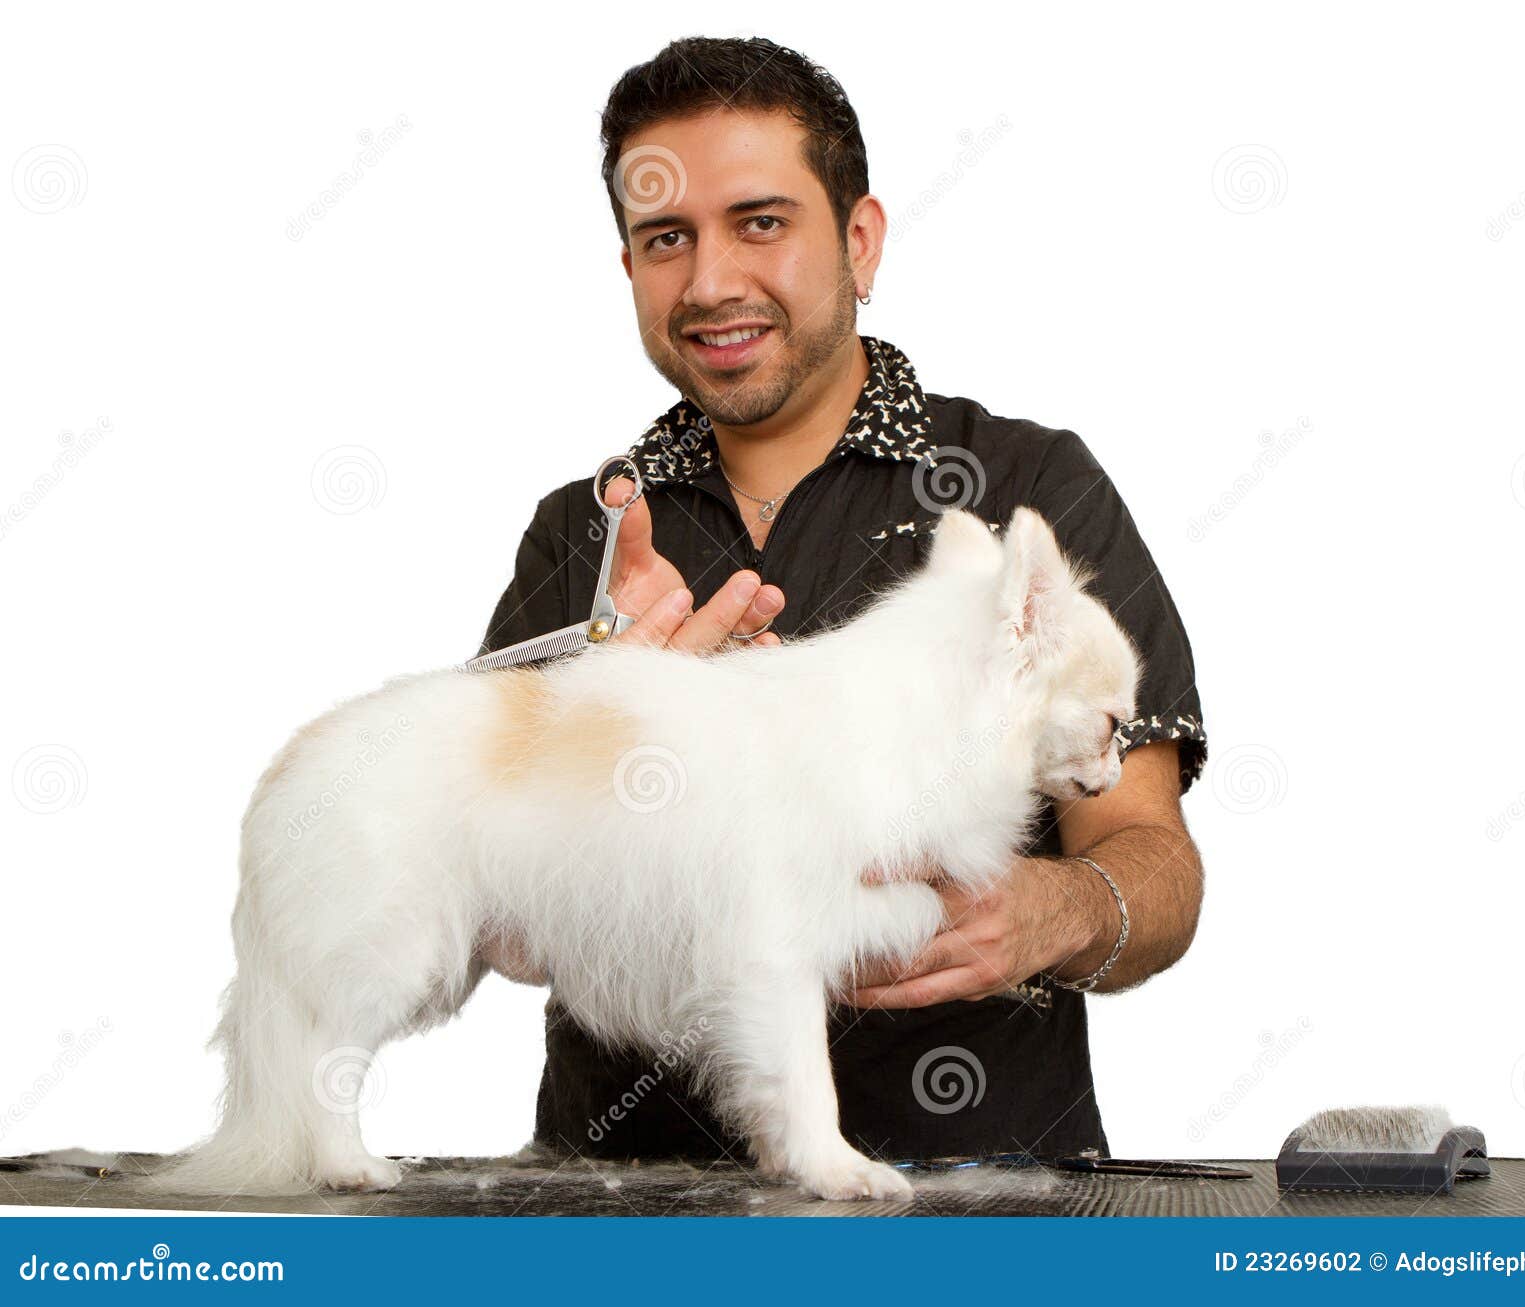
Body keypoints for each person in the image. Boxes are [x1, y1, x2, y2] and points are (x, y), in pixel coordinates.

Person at [479, 35, 1207, 1165]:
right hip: (617, 1198)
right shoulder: (582, 530)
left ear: (858, 241)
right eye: (666, 238)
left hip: (987, 1205)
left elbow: (1154, 866)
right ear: (629, 268)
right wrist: (621, 721)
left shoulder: (1025, 492)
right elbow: (504, 919)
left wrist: (1050, 911)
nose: (712, 281)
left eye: (760, 221)